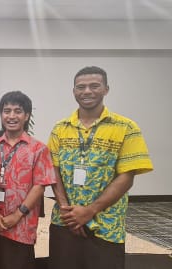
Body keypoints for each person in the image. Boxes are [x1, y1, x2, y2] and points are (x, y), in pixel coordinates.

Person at [48, 66, 153, 269]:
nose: (87, 91)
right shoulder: (60, 128)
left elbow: (126, 176)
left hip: (106, 225)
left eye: (94, 86)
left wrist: (89, 211)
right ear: (74, 92)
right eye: (81, 87)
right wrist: (67, 211)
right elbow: (53, 170)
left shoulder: (126, 128)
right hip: (65, 223)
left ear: (106, 89)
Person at [0, 91, 56, 269]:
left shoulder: (38, 149)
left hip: (22, 226)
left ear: (27, 116)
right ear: (1, 114)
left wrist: (17, 215)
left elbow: (40, 186)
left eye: (17, 111)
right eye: (7, 111)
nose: (11, 116)